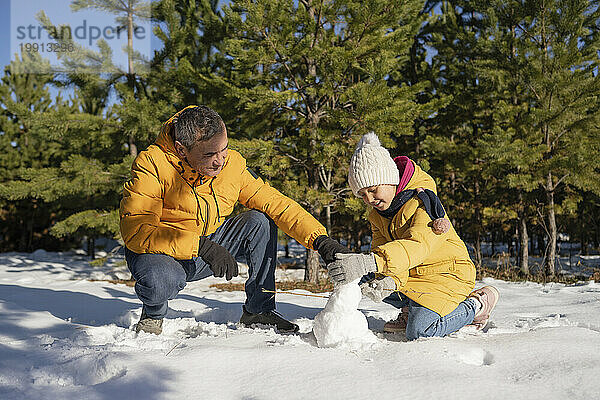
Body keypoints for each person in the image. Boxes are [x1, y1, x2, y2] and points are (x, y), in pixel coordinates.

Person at [120, 105, 348, 335]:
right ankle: (153, 313)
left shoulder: (233, 165)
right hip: (162, 254)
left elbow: (276, 203)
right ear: (181, 150)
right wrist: (201, 246)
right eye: (209, 155)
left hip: (209, 244)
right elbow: (137, 232)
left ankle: (259, 310)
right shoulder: (151, 165)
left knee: (259, 221)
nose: (220, 161)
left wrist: (320, 240)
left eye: (224, 150)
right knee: (159, 281)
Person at [326, 132, 499, 340]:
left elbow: (416, 247)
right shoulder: (377, 216)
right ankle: (410, 308)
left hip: (446, 275)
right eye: (362, 194)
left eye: (373, 190)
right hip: (415, 276)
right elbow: (393, 256)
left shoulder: (422, 202)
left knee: (420, 332)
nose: (369, 199)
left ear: (388, 179)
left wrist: (370, 262)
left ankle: (476, 306)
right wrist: (389, 282)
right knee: (366, 281)